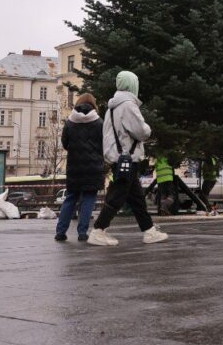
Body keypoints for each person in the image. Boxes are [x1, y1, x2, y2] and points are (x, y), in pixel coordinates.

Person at [87, 71, 169, 246]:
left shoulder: (112, 107)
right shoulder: (128, 105)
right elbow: (142, 131)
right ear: (132, 85)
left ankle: (149, 230)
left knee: (136, 198)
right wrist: (148, 127)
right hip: (127, 157)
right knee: (117, 195)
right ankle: (98, 230)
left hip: (119, 157)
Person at [55, 93, 105, 241]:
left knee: (70, 198)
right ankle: (82, 232)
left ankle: (60, 232)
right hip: (94, 167)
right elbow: (104, 143)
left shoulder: (70, 122)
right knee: (89, 198)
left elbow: (65, 143)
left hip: (74, 166)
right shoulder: (99, 123)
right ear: (94, 105)